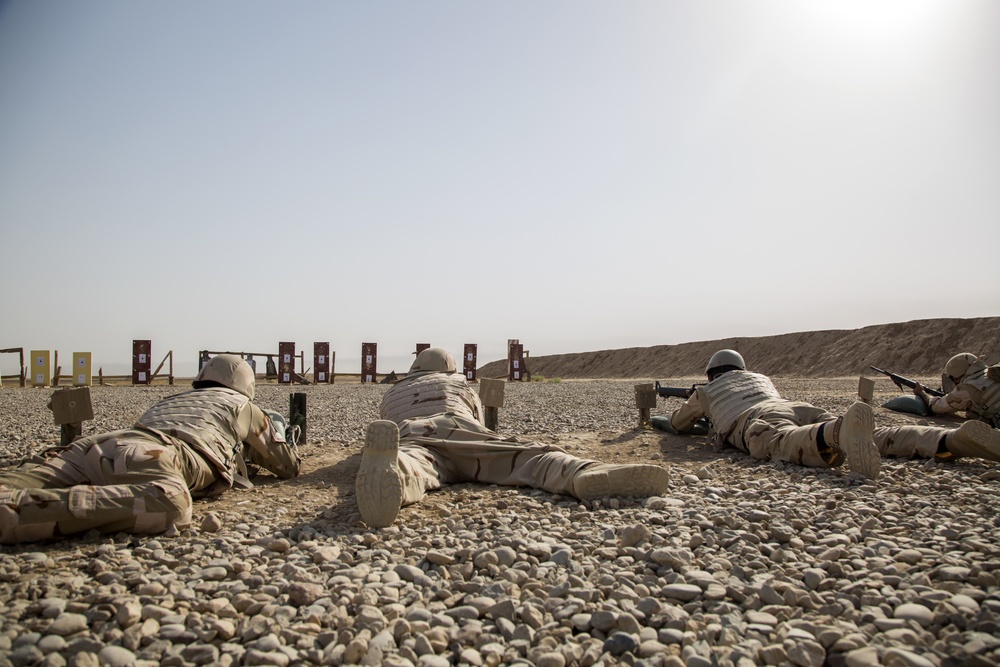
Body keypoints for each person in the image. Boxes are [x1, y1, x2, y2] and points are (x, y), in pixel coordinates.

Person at [0, 355, 301, 544]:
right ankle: (17, 512)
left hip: (98, 445)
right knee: (170, 503)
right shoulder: (241, 405)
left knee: (19, 479)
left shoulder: (173, 399)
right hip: (160, 452)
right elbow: (286, 466)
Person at [355, 347, 670, 528]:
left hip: (411, 433)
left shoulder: (392, 393)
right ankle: (579, 473)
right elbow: (478, 421)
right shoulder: (457, 383)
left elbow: (390, 421)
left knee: (418, 464)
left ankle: (398, 472)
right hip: (457, 426)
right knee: (529, 457)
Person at [665, 350, 1000, 472]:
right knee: (876, 435)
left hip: (758, 418)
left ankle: (837, 435)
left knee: (777, 441)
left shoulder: (708, 390)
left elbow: (679, 424)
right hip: (796, 407)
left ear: (711, 374)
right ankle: (949, 440)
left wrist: (694, 406)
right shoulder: (760, 377)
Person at [913, 352, 1000, 428]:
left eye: (953, 379)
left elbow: (937, 407)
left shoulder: (967, 387)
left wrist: (921, 392)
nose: (955, 383)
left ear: (957, 374)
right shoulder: (991, 375)